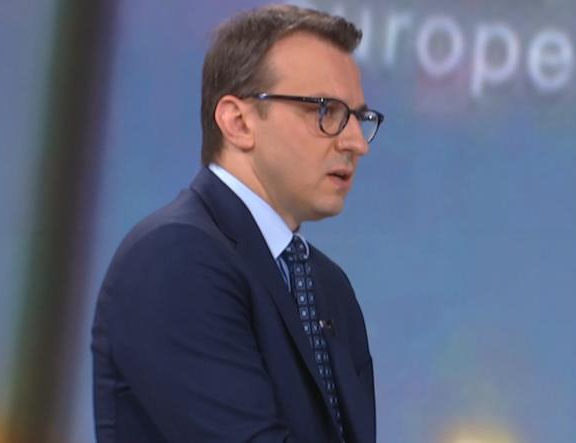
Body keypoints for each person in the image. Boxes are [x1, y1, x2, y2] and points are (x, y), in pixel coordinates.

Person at [92, 4, 384, 443]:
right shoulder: (176, 257)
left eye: (359, 118)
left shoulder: (329, 287)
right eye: (326, 111)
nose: (357, 143)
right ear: (238, 121)